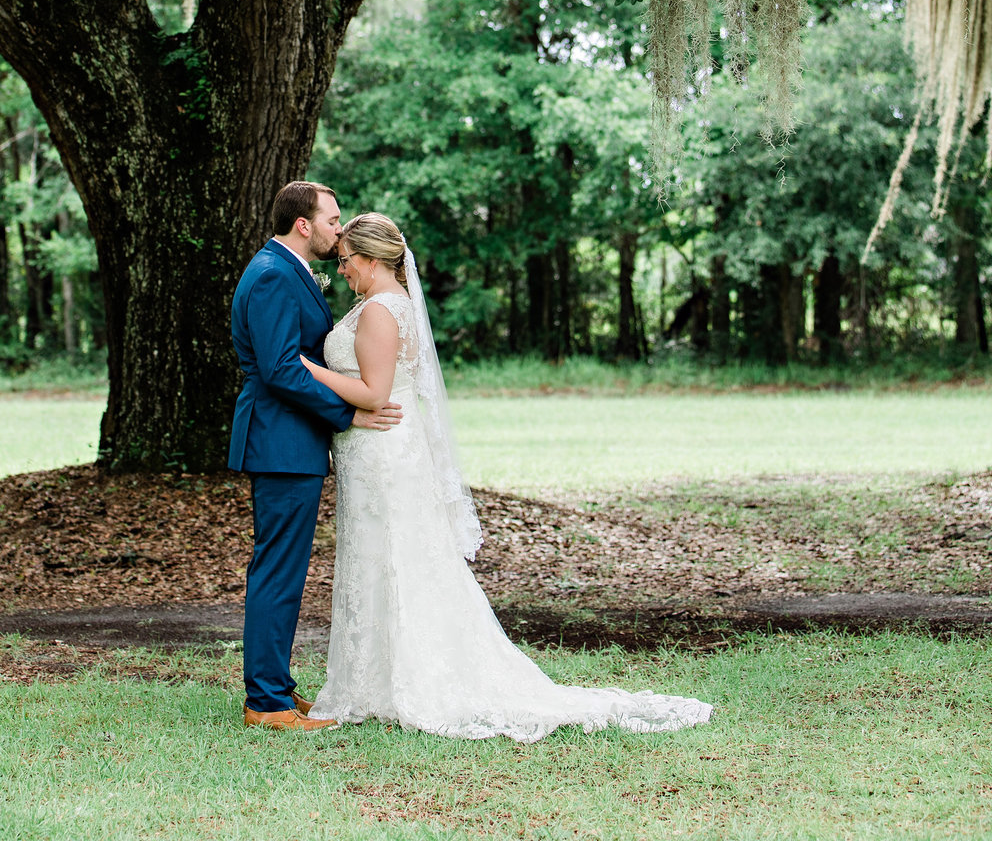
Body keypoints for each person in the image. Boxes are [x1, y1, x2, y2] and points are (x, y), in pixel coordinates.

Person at [299, 212, 713, 741]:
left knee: (396, 558)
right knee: (378, 559)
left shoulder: (381, 310)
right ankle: (374, 680)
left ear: (373, 259)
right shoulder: (381, 305)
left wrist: (306, 367)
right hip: (372, 452)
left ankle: (409, 680)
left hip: (385, 451)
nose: (344, 270)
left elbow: (376, 393)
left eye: (347, 261)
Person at [228, 181, 402, 730]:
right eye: (332, 219)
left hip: (292, 441)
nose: (338, 228)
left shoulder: (287, 270)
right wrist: (348, 415)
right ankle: (267, 703)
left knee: (282, 568)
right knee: (277, 570)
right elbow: (282, 368)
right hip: (281, 441)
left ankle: (276, 688)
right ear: (303, 224)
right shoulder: (275, 274)